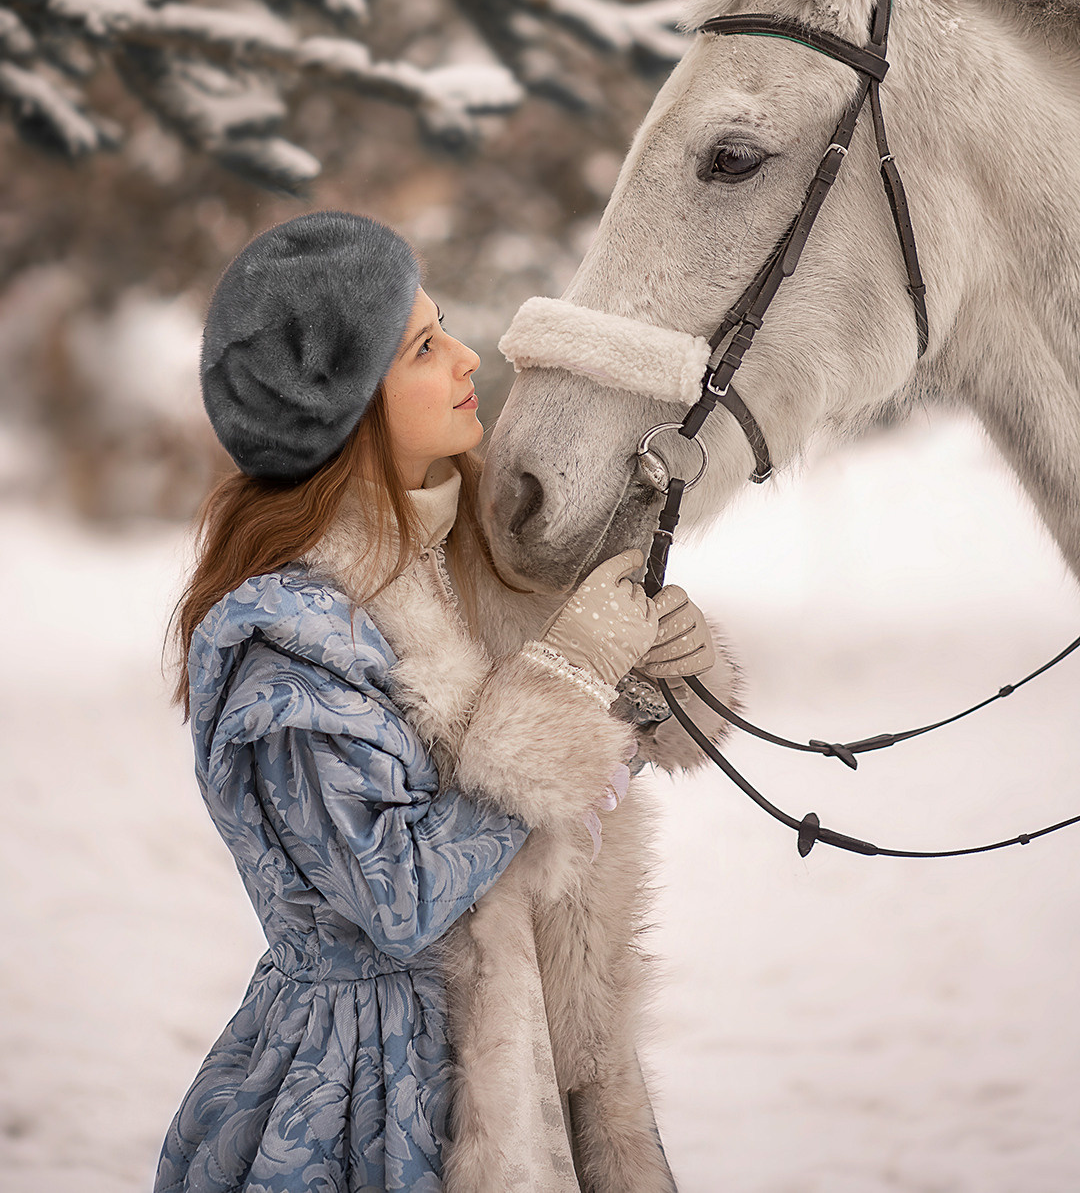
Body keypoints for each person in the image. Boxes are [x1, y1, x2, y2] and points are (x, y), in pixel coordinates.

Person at [156, 210, 729, 1193]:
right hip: (377, 1100)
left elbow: (594, 759)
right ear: (342, 404)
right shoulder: (286, 643)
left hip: (547, 1060)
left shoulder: (470, 559)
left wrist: (659, 674)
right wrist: (569, 674)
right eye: (423, 346)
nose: (468, 355)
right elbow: (399, 896)